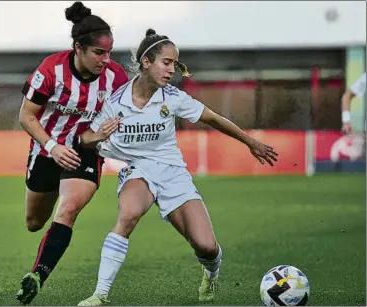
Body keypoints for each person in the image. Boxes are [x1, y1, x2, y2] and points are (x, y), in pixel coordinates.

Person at [76, 29, 279, 306]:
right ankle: (100, 294)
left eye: (174, 63)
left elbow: (214, 118)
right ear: (146, 62)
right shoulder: (116, 102)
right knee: (128, 214)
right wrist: (97, 136)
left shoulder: (172, 97)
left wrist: (250, 142)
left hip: (173, 172)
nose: (172, 70)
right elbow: (85, 136)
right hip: (138, 169)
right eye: (166, 62)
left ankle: (211, 273)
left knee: (206, 246)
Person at [16, 2, 128, 305]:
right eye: (98, 53)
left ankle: (37, 275)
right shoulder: (50, 70)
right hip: (46, 148)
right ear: (78, 48)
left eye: (109, 53)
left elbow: (128, 113)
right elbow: (26, 116)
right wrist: (52, 147)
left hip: (87, 150)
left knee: (67, 210)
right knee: (34, 222)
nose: (106, 60)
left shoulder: (115, 78)